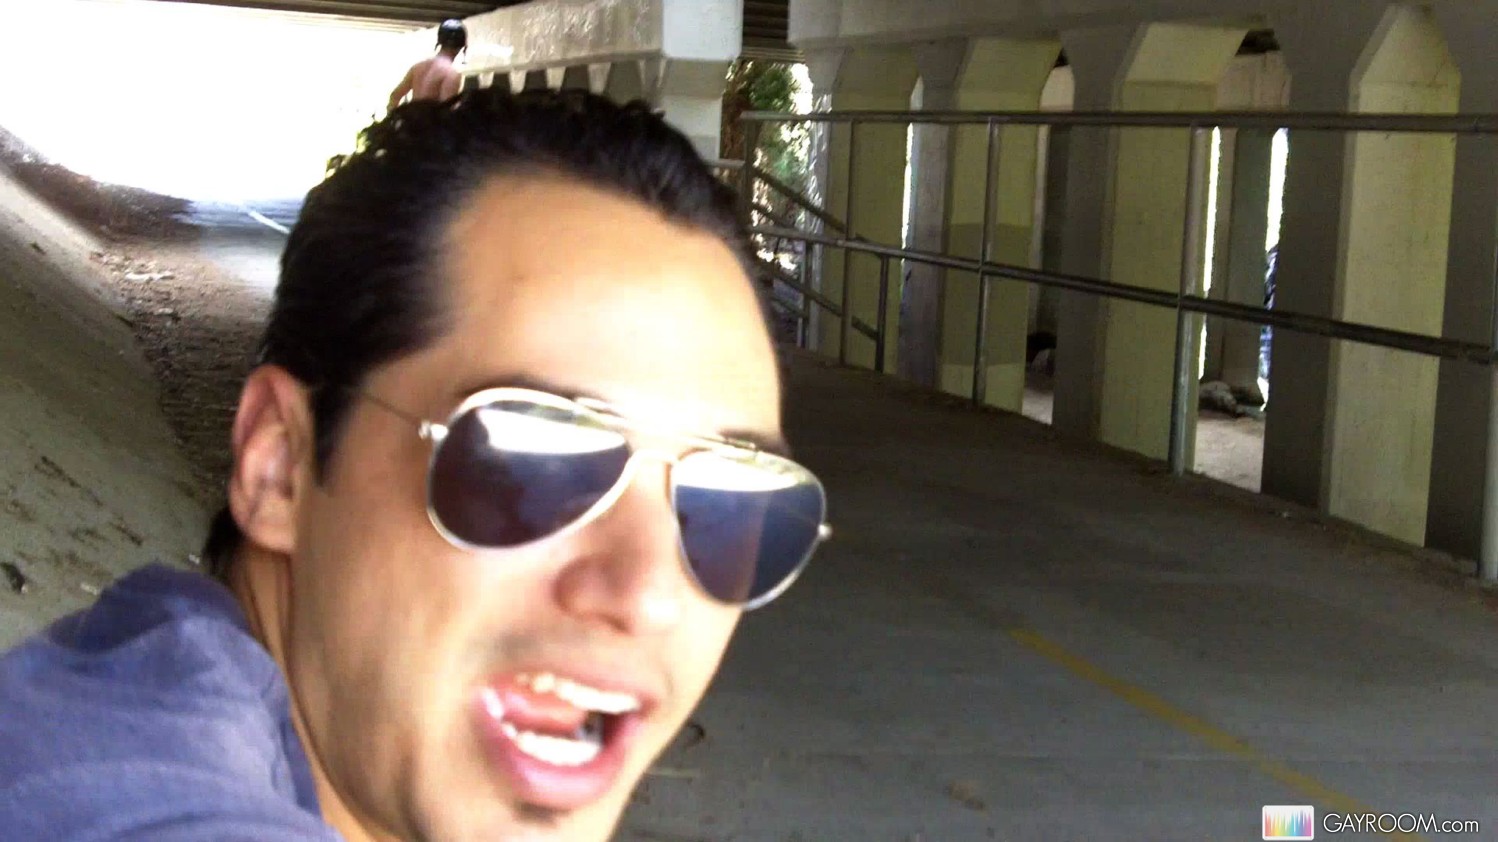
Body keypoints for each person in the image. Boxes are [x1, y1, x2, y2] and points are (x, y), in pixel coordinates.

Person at [0, 88, 832, 841]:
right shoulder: (109, 777)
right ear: (278, 465)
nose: (649, 594)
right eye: (532, 459)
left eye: (731, 504)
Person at [387, 18, 467, 110]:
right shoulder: (451, 74)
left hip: (412, 117)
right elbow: (447, 109)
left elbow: (395, 96)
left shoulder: (417, 67)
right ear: (461, 47)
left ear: (439, 42)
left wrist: (394, 116)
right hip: (432, 119)